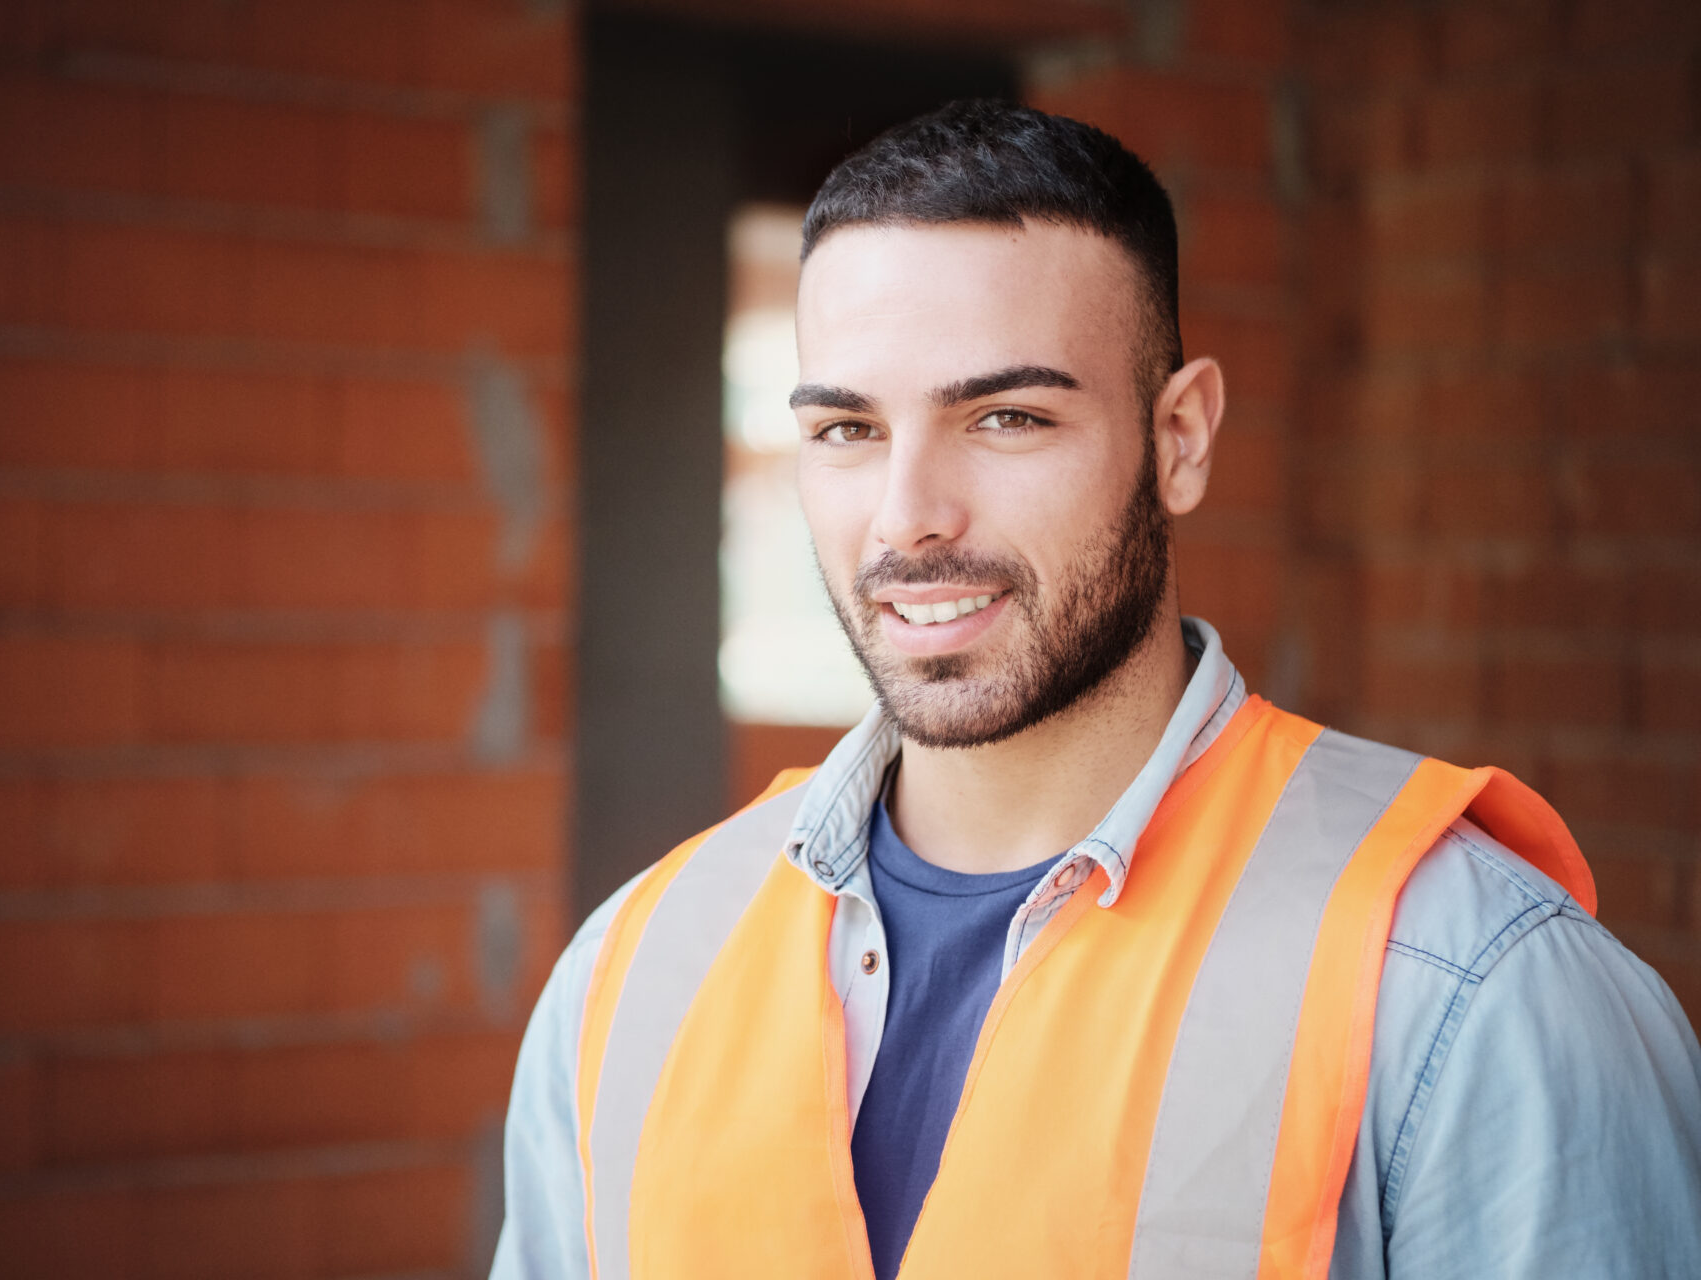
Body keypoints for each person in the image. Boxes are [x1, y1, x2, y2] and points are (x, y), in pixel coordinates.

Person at [490, 100, 1701, 1280]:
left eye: (1006, 416)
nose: (909, 518)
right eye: (848, 431)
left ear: (1180, 438)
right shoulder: (634, 966)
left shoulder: (1469, 987)